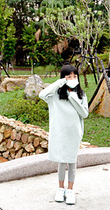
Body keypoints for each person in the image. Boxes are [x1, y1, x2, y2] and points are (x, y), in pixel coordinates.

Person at [39, 64, 88, 205]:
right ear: (63, 78)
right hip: (60, 133)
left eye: (74, 76)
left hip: (73, 133)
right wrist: (60, 83)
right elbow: (42, 94)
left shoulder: (81, 95)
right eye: (68, 76)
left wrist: (74, 98)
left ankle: (70, 190)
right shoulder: (55, 96)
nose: (72, 79)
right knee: (61, 161)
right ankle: (61, 189)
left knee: (72, 162)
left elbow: (84, 114)